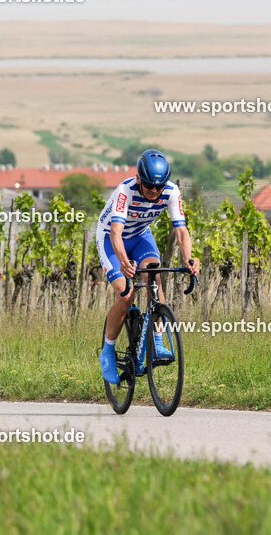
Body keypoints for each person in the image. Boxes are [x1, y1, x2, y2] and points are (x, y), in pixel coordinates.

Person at [97, 149, 200, 384]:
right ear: (138, 179)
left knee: (154, 274)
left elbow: (181, 230)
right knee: (125, 294)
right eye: (149, 187)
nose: (154, 192)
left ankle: (159, 340)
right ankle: (108, 350)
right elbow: (115, 233)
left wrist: (189, 258)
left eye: (159, 187)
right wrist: (124, 263)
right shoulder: (126, 191)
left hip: (141, 236)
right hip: (111, 239)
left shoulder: (171, 191)